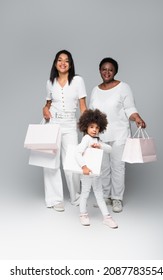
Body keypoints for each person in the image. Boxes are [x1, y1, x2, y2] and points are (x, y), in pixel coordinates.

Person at [89, 57, 146, 213]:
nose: (107, 72)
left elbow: (130, 108)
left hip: (119, 134)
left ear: (115, 71)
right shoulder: (95, 90)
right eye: (104, 69)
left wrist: (137, 118)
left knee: (118, 167)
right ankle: (106, 196)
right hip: (100, 135)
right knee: (103, 167)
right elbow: (91, 114)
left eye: (110, 69)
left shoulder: (123, 87)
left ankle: (117, 199)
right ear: (99, 70)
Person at [42, 50, 87, 211]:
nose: (63, 63)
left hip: (69, 124)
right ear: (55, 63)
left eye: (66, 60)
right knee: (50, 163)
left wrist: (87, 127)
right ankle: (55, 199)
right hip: (52, 123)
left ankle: (76, 197)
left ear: (70, 64)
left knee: (72, 161)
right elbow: (48, 104)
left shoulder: (77, 81)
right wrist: (45, 109)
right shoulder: (50, 82)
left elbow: (83, 107)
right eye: (59, 60)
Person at [75, 109, 118, 229]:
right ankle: (83, 215)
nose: (94, 129)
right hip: (87, 173)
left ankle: (107, 218)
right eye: (92, 127)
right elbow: (77, 153)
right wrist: (84, 167)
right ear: (86, 127)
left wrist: (100, 145)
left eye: (97, 127)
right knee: (85, 193)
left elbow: (109, 149)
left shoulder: (98, 140)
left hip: (96, 173)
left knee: (99, 194)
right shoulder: (86, 139)